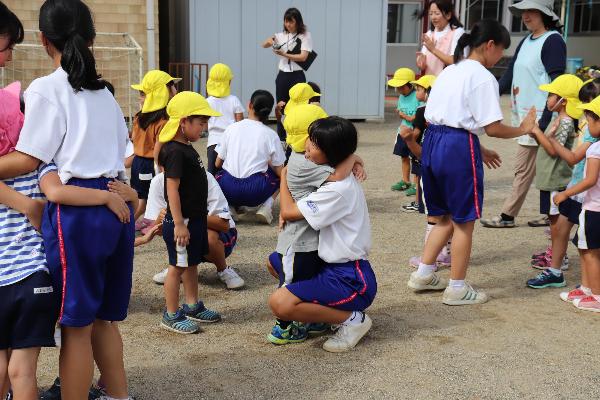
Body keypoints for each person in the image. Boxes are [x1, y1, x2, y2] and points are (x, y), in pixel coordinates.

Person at [0, 2, 137, 399]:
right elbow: (119, 159)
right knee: (104, 320)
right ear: (91, 37)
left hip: (78, 213)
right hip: (115, 205)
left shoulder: (45, 88)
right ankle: (118, 394)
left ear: (44, 40)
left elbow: (29, 158)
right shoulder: (105, 94)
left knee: (75, 326)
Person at [406, 19, 536, 305]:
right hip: (457, 147)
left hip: (434, 142)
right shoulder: (482, 77)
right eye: (501, 50)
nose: (500, 57)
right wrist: (524, 128)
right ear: (490, 45)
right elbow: (493, 126)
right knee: (464, 220)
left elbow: (443, 117)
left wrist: (477, 146)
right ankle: (456, 287)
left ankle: (424, 273)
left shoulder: (451, 70)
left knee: (444, 216)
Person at [269, 116, 377, 353]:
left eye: (315, 144)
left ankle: (353, 320)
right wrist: (354, 158)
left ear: (332, 153)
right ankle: (321, 316)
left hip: (350, 279)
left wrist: (284, 176)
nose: (307, 145)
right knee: (275, 261)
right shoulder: (334, 175)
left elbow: (288, 211)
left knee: (280, 302)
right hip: (329, 268)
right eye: (310, 138)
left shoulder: (336, 190)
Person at [480, 0, 566, 229]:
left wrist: (546, 120)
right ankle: (549, 214)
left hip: (541, 118)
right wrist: (491, 90)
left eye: (531, 11)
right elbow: (510, 73)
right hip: (527, 118)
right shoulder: (527, 40)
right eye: (524, 11)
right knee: (539, 168)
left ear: (544, 14)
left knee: (537, 169)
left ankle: (509, 215)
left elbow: (557, 82)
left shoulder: (553, 41)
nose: (525, 16)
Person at [157, 91, 223, 334]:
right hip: (181, 221)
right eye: (201, 123)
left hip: (194, 218)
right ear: (183, 122)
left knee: (192, 263)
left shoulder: (186, 147)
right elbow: (172, 190)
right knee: (178, 266)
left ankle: (192, 305)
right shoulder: (174, 151)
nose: (204, 128)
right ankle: (171, 313)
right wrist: (178, 224)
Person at [524, 74, 584, 288]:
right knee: (554, 221)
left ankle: (558, 260)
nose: (548, 98)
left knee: (559, 224)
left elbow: (552, 148)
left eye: (552, 95)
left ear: (564, 100)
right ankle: (555, 258)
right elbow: (546, 142)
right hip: (548, 177)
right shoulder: (556, 118)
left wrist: (535, 130)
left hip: (557, 179)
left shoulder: (566, 121)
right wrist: (534, 131)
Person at [146, 169, 244, 290]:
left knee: (209, 238)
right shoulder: (158, 182)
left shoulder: (205, 178)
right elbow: (160, 232)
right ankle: (179, 267)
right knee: (175, 230)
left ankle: (223, 269)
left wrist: (187, 216)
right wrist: (161, 219)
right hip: (185, 236)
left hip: (217, 234)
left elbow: (224, 225)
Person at [554, 94, 600, 312]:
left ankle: (597, 296)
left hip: (594, 208)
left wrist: (565, 194)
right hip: (592, 207)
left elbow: (589, 180)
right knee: (584, 249)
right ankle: (587, 288)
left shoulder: (596, 148)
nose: (587, 126)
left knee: (591, 252)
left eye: (590, 121)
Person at [215, 90, 286, 224]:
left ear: (249, 105)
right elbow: (280, 172)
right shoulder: (270, 134)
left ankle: (228, 208)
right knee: (282, 174)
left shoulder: (231, 128)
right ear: (268, 111)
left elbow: (218, 163)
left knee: (219, 174)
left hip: (229, 188)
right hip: (256, 191)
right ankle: (266, 207)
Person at [130, 70, 179, 231]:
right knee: (145, 198)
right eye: (172, 87)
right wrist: (159, 166)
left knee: (142, 195)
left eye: (143, 94)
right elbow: (159, 146)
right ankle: (128, 224)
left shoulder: (139, 117)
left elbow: (134, 140)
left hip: (138, 162)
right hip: (151, 163)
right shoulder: (163, 121)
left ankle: (141, 221)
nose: (175, 91)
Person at [262, 7, 313, 141]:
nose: (288, 25)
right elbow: (264, 44)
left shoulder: (305, 35)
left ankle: (299, 134)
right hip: (283, 75)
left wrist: (283, 54)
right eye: (286, 21)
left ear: (298, 22)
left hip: (297, 75)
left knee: (299, 105)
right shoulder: (280, 35)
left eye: (291, 21)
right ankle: (282, 136)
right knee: (281, 105)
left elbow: (303, 57)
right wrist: (271, 41)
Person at [206, 63, 244, 175]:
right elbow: (240, 124)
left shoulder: (207, 102)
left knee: (212, 176)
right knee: (231, 174)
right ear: (229, 82)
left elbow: (203, 124)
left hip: (213, 143)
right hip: (231, 143)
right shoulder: (234, 100)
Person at [387, 68, 420, 194]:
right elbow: (402, 110)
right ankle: (406, 181)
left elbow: (418, 117)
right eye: (397, 87)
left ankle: (416, 185)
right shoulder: (401, 96)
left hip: (414, 132)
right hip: (403, 131)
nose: (398, 90)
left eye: (401, 87)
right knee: (404, 156)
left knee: (416, 158)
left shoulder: (417, 96)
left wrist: (405, 116)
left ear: (409, 84)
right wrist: (401, 114)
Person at [416, 0, 465, 76]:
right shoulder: (429, 34)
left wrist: (433, 49)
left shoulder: (457, 32)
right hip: (429, 83)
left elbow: (454, 61)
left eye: (437, 13)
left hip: (448, 83)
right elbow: (423, 66)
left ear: (448, 15)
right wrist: (420, 62)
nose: (433, 17)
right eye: (431, 14)